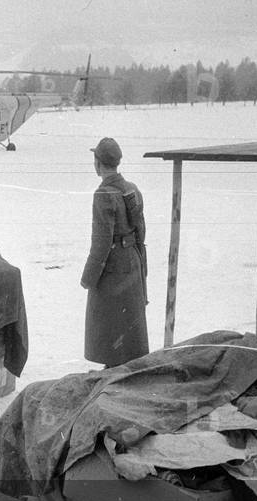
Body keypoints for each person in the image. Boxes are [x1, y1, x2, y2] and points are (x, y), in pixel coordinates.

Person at [80, 137, 149, 368]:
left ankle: (113, 371)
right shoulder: (133, 189)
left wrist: (88, 278)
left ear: (97, 163)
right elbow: (141, 232)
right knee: (129, 324)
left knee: (109, 323)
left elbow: (101, 243)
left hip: (113, 267)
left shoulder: (103, 195)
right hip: (133, 260)